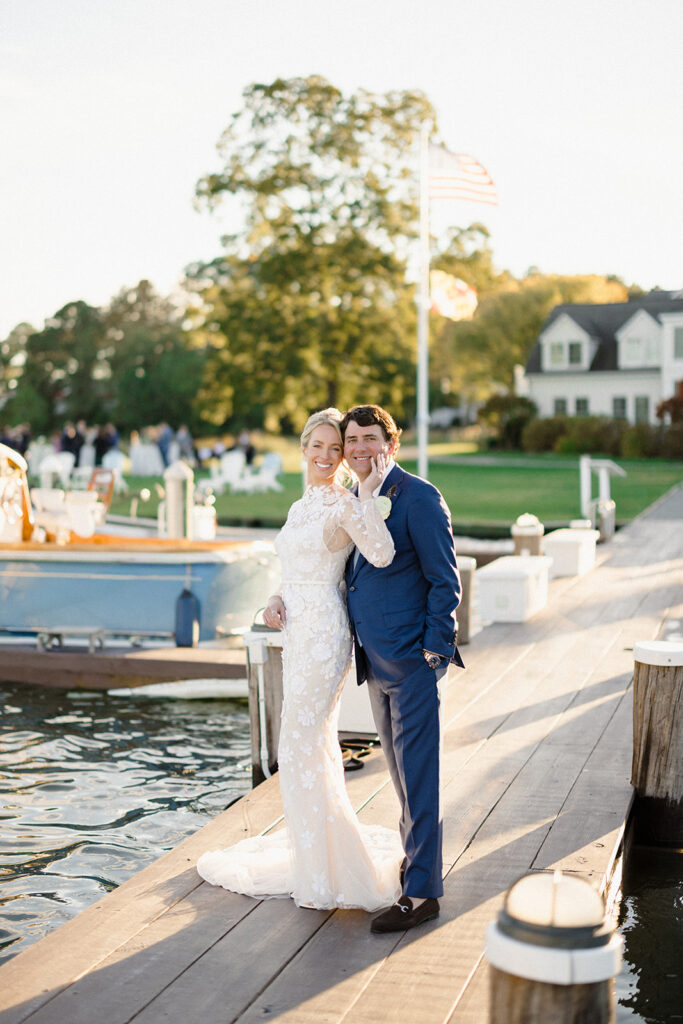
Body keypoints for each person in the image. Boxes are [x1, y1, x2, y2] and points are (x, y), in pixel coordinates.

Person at [197, 408, 402, 910]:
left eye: (337, 449)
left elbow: (383, 553)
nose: (328, 457)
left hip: (325, 635)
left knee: (298, 745)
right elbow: (294, 568)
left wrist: (371, 497)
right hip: (297, 628)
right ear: (305, 447)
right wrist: (274, 598)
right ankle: (316, 856)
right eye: (320, 446)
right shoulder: (300, 506)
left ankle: (331, 868)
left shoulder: (345, 503)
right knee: (306, 744)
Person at [341, 404, 463, 933]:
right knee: (399, 774)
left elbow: (445, 581)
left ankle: (421, 894)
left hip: (412, 662)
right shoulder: (353, 497)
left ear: (392, 444)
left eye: (370, 438)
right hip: (375, 660)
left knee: (418, 777)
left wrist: (432, 655)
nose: (359, 448)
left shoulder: (417, 497)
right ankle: (415, 864)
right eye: (352, 440)